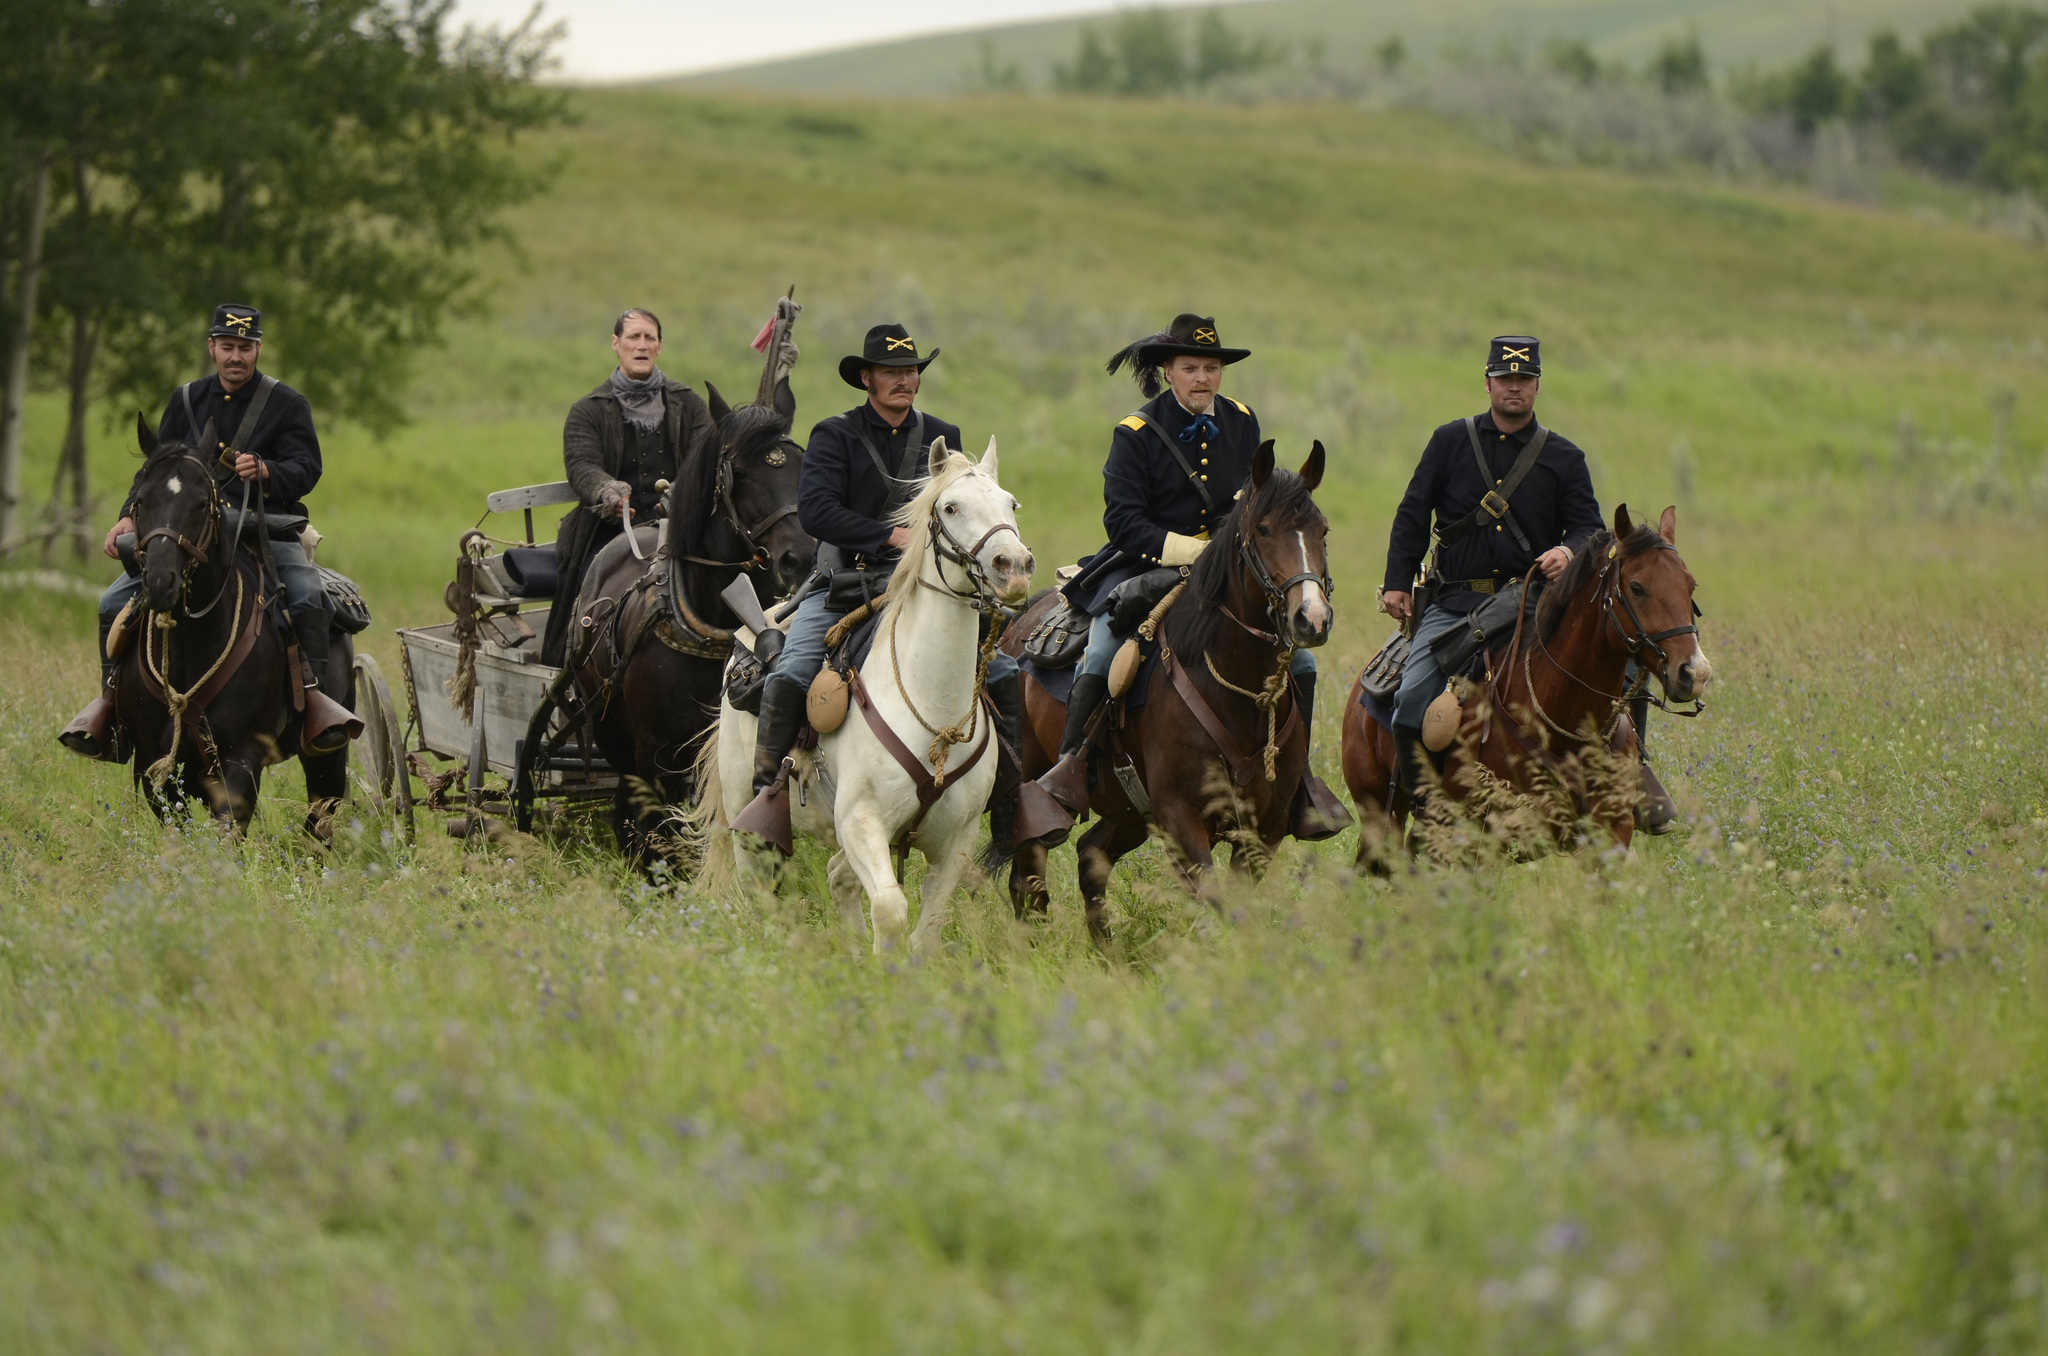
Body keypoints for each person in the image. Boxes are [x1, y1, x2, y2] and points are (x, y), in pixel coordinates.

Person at [1026, 313, 1344, 844]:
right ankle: (1072, 770)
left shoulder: (1243, 421)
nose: (1203, 378)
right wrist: (1194, 551)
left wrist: (1229, 555)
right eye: (1191, 367)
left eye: (1211, 368)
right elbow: (1123, 522)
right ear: (1168, 372)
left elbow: (1253, 507)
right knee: (1104, 654)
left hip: (1229, 569)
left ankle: (1299, 782)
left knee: (1303, 663)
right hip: (1145, 563)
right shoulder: (1135, 433)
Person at [739, 323, 1023, 841]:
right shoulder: (834, 434)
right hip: (846, 582)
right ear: (867, 378)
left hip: (925, 587)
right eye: (891, 372)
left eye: (910, 371)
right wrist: (888, 536)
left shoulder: (944, 435)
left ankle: (1011, 798)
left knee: (1003, 671)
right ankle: (769, 798)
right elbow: (818, 513)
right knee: (791, 673)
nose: (903, 381)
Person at [1378, 336, 1669, 824]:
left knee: (1623, 679)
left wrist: (1567, 549)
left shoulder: (1565, 457)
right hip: (1453, 604)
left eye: (1524, 380)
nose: (1515, 388)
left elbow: (1589, 531)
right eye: (1506, 379)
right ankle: (1426, 801)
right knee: (1410, 698)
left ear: (1537, 386)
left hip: (1536, 604)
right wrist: (1396, 583)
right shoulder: (1448, 441)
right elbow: (1412, 514)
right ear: (1488, 382)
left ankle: (1633, 778)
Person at [63, 302, 336, 762]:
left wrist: (268, 471)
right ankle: (112, 710)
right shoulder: (186, 400)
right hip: (185, 534)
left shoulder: (288, 404)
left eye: (245, 348)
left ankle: (314, 706)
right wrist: (130, 513)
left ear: (258, 349)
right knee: (112, 603)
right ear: (212, 348)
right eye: (227, 346)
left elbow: (308, 469)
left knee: (308, 595)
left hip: (263, 532)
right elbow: (157, 469)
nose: (236, 357)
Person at [542, 308, 719, 666]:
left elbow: (704, 460)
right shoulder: (587, 411)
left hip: (679, 527)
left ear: (659, 346)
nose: (641, 345)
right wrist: (607, 491)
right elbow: (581, 464)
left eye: (649, 338)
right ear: (616, 344)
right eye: (633, 337)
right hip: (605, 531)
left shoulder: (688, 404)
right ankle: (572, 668)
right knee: (586, 592)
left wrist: (681, 496)